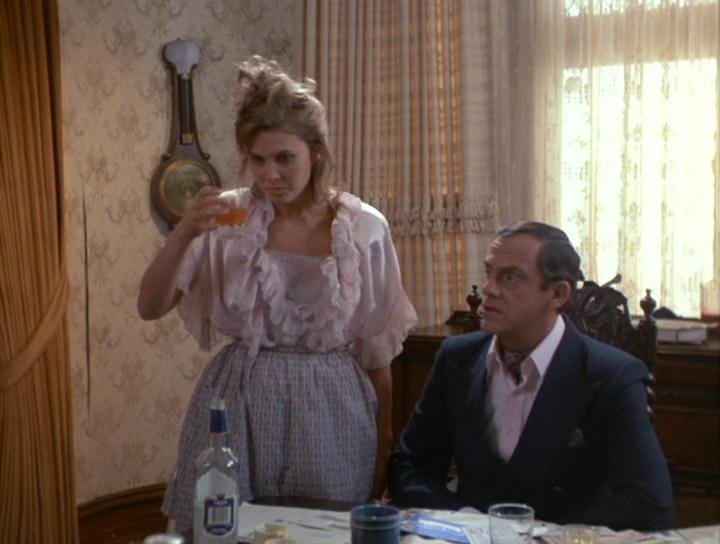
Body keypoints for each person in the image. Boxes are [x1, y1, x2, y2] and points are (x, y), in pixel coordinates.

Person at [138, 56, 417, 535]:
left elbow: (377, 352)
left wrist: (383, 444)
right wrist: (184, 232)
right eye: (258, 159)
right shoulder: (228, 218)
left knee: (324, 533)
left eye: (285, 158)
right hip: (239, 399)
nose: (270, 175)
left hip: (331, 408)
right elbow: (149, 306)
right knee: (223, 529)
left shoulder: (363, 229)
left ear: (316, 154)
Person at [388, 221, 674, 531]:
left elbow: (649, 507)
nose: (489, 289)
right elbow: (409, 467)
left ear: (558, 294)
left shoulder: (611, 375)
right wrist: (466, 519)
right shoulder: (457, 358)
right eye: (489, 273)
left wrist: (537, 533)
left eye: (510, 277)